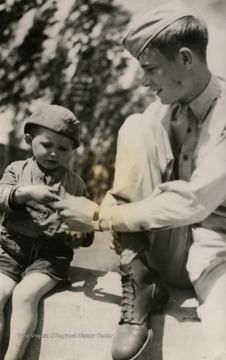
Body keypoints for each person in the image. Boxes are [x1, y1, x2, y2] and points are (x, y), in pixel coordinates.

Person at [55, 2, 226, 360]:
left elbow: (192, 203)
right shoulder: (163, 111)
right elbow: (126, 190)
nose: (144, 81)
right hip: (164, 251)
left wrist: (99, 217)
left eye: (149, 69)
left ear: (184, 58)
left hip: (217, 258)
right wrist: (81, 219)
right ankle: (140, 282)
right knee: (136, 124)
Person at [0, 104, 93, 360]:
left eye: (63, 149)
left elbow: (87, 224)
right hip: (11, 249)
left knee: (24, 295)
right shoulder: (16, 170)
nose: (54, 153)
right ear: (29, 141)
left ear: (72, 150)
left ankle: (13, 357)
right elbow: (2, 195)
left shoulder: (75, 183)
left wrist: (80, 230)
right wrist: (27, 192)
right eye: (47, 145)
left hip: (51, 255)